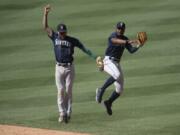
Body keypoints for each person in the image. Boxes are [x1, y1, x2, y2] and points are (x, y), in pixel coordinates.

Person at [42, 4, 97, 123]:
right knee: (60, 90)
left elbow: (84, 48)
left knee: (68, 90)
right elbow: (45, 27)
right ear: (58, 32)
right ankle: (62, 113)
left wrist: (95, 57)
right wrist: (45, 14)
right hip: (58, 68)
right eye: (61, 32)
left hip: (69, 68)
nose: (63, 34)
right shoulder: (54, 37)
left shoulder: (72, 40)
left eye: (64, 32)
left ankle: (68, 112)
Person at [96, 22, 141, 115]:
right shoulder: (113, 36)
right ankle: (101, 89)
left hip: (116, 63)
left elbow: (131, 51)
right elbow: (115, 41)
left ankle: (108, 103)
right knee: (116, 75)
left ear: (124, 29)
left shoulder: (125, 39)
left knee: (120, 89)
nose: (120, 30)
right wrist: (127, 42)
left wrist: (139, 45)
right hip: (108, 61)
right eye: (118, 28)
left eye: (122, 29)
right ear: (116, 28)